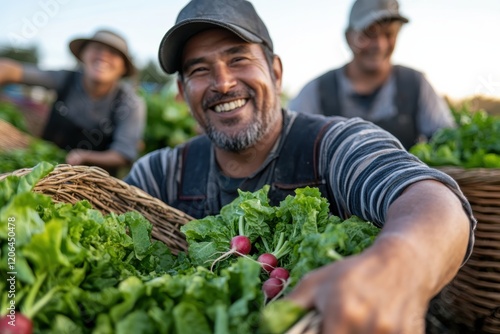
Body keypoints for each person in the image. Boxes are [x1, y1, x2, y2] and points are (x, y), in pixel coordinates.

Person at [124, 0, 476, 332]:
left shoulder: (333, 146)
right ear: (183, 94)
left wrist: (397, 264)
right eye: (200, 69)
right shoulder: (158, 174)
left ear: (275, 73)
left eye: (239, 60)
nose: (224, 83)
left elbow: (433, 202)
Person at [288, 0, 454, 150]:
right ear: (348, 37)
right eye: (369, 34)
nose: (380, 45)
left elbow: (447, 139)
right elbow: (289, 144)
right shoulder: (317, 91)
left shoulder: (415, 83)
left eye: (389, 34)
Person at [0, 29, 146, 175]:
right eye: (97, 48)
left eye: (113, 53)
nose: (103, 56)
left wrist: (85, 156)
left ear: (123, 68)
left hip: (94, 183)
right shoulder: (66, 79)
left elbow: (122, 154)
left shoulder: (129, 104)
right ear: (83, 55)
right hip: (42, 169)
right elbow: (10, 70)